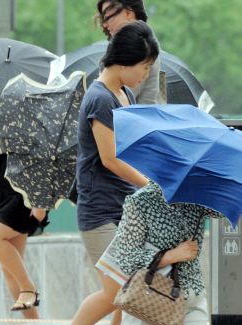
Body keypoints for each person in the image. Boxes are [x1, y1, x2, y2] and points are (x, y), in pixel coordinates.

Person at [71, 21, 159, 325]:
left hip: (125, 208)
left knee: (127, 286)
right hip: (100, 211)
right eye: (144, 67)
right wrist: (152, 185)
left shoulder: (125, 94)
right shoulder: (100, 99)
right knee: (115, 291)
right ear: (124, 62)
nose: (146, 75)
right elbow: (110, 159)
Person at [116, 181, 223, 324]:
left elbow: (230, 206)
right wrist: (172, 255)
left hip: (191, 297)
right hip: (149, 299)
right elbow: (126, 257)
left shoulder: (197, 197)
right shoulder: (141, 200)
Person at [0, 148, 48, 318]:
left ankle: (29, 288)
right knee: (10, 270)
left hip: (27, 193)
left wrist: (39, 200)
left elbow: (44, 156)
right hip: (5, 191)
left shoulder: (31, 122)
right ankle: (35, 321)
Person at [96, 0, 161, 105]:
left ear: (128, 13)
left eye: (108, 17)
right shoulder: (122, 47)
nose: (105, 24)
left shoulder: (143, 49)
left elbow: (116, 101)